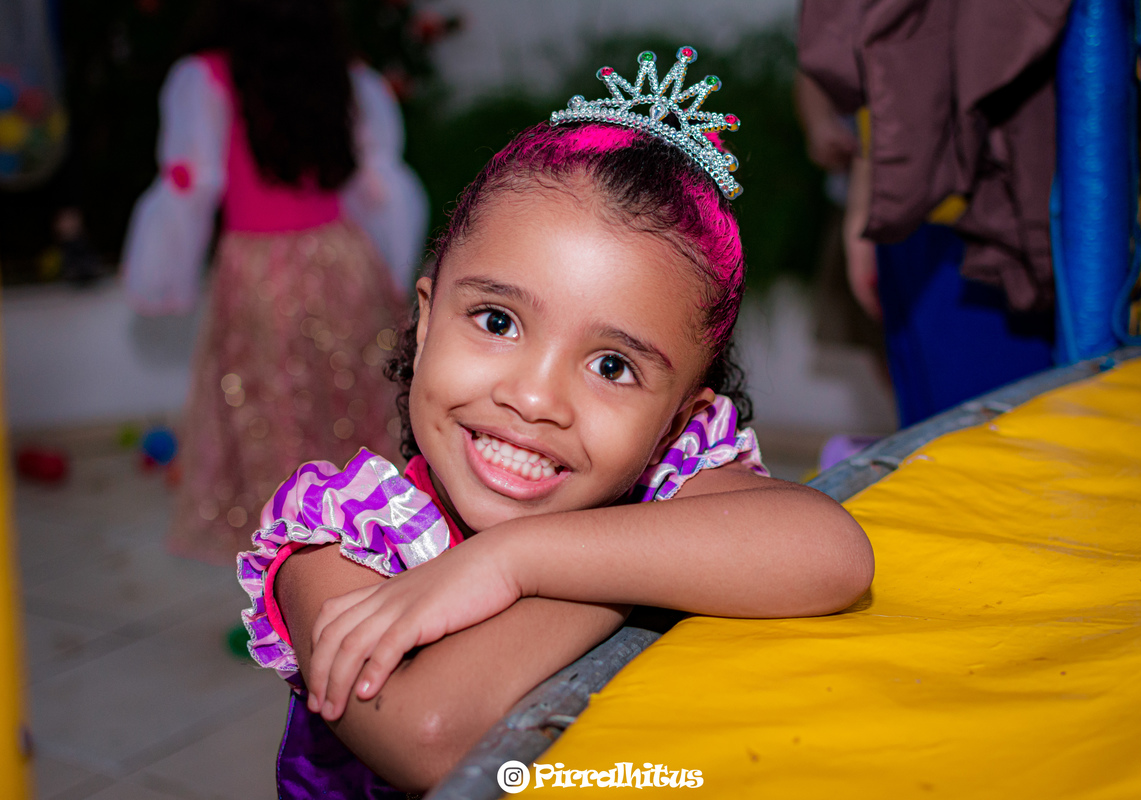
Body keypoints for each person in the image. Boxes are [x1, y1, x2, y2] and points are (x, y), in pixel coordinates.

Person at [238, 47, 875, 795]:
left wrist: (513, 560)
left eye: (613, 366)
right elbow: (430, 733)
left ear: (679, 421)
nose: (536, 399)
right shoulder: (336, 544)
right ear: (426, 317)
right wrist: (643, 569)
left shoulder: (668, 473)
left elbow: (836, 552)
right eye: (497, 320)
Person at [121, 0, 427, 563]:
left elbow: (191, 183)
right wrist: (389, 268)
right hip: (344, 266)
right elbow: (378, 183)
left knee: (275, 426)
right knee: (357, 415)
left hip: (259, 278)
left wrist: (163, 274)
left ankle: (288, 586)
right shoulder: (346, 74)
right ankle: (375, 563)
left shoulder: (206, 78)